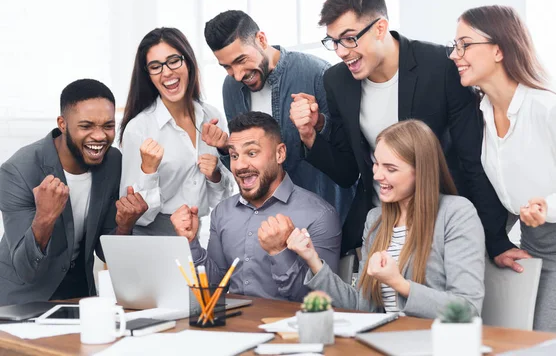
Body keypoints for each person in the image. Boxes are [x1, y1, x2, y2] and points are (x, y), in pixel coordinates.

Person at [289, 0, 507, 257]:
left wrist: (496, 240)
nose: (342, 51)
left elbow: (473, 159)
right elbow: (347, 173)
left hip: (438, 222)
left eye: (349, 38)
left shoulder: (440, 66)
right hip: (378, 226)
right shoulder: (337, 81)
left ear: (380, 28)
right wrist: (310, 135)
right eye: (334, 42)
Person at [448, 5, 556, 333]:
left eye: (464, 44)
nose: (454, 55)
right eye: (454, 45)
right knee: (513, 341)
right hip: (530, 246)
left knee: (541, 347)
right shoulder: (480, 114)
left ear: (499, 50)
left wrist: (550, 206)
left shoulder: (549, 108)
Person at [287, 120, 485, 317]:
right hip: (386, 340)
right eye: (376, 164)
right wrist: (312, 259)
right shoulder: (376, 220)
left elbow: (467, 308)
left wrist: (398, 283)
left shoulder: (456, 213)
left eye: (390, 169)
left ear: (421, 172)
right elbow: (361, 305)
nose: (378, 175)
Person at [0, 79, 148, 305]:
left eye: (108, 126)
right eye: (86, 126)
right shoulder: (18, 171)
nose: (99, 136)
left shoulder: (113, 162)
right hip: (23, 300)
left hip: (80, 296)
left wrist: (125, 224)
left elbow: (105, 252)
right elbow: (25, 269)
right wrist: (44, 218)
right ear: (62, 124)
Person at [170, 112, 341, 302]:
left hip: (291, 329)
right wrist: (191, 242)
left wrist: (280, 253)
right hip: (233, 328)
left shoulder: (319, 215)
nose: (240, 165)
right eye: (234, 155)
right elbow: (214, 288)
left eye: (252, 153)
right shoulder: (223, 212)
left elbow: (322, 300)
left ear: (280, 154)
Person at [203, 10, 354, 226]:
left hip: (321, 225)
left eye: (241, 60)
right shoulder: (231, 88)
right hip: (266, 225)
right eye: (227, 66)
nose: (237, 75)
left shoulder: (317, 73)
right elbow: (250, 166)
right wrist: (226, 148)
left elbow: (346, 162)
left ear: (261, 40)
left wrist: (318, 124)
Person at [119, 27, 234, 236]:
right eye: (155, 66)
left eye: (173, 61)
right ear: (149, 75)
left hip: (200, 234)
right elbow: (136, 216)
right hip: (156, 239)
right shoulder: (139, 128)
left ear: (187, 61)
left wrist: (216, 175)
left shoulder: (211, 116)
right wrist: (148, 171)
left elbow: (223, 200)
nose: (166, 72)